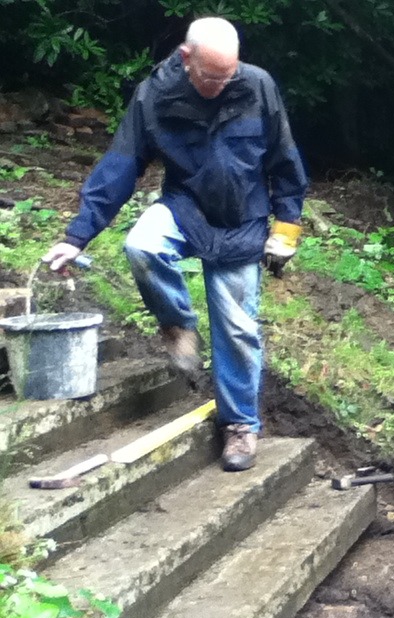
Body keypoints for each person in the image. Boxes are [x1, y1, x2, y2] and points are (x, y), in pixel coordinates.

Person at [42, 17, 308, 472]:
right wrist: (77, 235)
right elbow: (121, 163)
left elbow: (283, 156)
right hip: (185, 209)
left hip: (242, 220)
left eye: (229, 75)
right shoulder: (156, 96)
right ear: (187, 60)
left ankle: (241, 426)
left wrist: (286, 229)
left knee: (239, 332)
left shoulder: (257, 86)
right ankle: (177, 326)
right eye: (211, 77)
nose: (222, 85)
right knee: (142, 244)